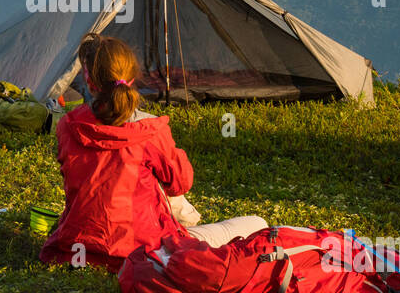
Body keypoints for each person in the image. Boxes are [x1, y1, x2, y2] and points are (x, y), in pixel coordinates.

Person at [39, 33, 268, 271]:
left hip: (80, 251)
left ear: (89, 82)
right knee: (256, 222)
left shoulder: (68, 126)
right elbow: (180, 184)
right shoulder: (151, 129)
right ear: (132, 75)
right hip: (147, 251)